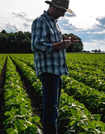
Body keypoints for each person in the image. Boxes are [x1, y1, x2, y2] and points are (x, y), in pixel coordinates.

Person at [31, 0, 78, 133]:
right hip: (48, 71)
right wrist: (59, 45)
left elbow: (56, 44)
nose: (63, 15)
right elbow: (36, 45)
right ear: (54, 7)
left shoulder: (54, 24)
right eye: (62, 11)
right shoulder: (40, 22)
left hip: (56, 71)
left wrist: (66, 42)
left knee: (54, 110)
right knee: (51, 111)